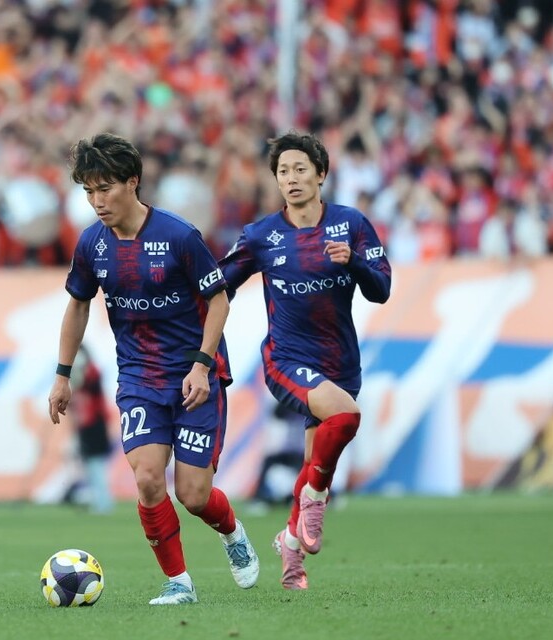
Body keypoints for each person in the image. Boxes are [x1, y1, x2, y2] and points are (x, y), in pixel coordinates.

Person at [48, 133, 259, 605]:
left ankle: (232, 532)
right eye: (88, 191)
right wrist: (62, 375)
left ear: (132, 182)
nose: (96, 201)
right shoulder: (92, 244)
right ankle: (178, 582)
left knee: (194, 495)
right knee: (146, 479)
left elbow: (219, 300)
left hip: (193, 378)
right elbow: (77, 305)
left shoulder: (179, 236)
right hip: (139, 379)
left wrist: (202, 365)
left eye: (105, 189)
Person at [219, 132, 391, 590]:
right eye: (283, 172)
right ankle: (316, 499)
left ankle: (291, 547)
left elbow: (381, 289)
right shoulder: (261, 236)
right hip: (286, 358)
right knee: (346, 417)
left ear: (321, 174)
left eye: (299, 169)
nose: (291, 178)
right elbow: (218, 285)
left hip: (341, 363)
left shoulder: (351, 224)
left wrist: (353, 262)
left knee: (317, 458)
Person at [66, 343, 114, 514]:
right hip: (85, 425)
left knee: (96, 464)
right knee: (90, 465)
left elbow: (87, 387)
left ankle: (103, 503)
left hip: (95, 424)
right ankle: (99, 501)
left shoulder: (92, 372)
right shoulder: (79, 376)